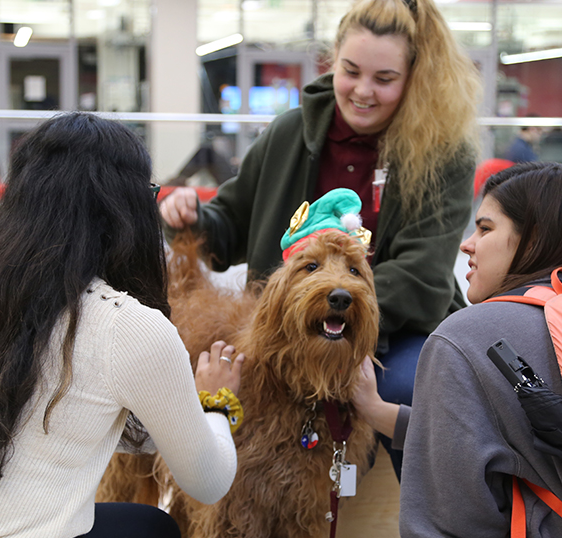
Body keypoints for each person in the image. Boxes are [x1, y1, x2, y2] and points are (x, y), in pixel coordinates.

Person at [0, 113, 245, 538]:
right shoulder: (130, 326)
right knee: (157, 535)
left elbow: (140, 434)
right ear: (123, 211)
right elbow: (207, 481)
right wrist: (216, 402)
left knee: (149, 529)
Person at [159, 0, 481, 480]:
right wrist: (189, 219)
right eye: (351, 72)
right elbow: (229, 224)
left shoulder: (443, 154)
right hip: (283, 328)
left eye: (384, 79)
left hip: (395, 330)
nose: (363, 91)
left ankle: (429, 535)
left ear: (415, 77)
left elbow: (423, 276)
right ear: (333, 61)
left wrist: (339, 305)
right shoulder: (291, 132)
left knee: (418, 387)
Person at [352, 161, 562, 538]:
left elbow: (454, 531)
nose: (467, 243)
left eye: (485, 228)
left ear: (533, 241)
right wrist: (376, 411)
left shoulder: (465, 335)